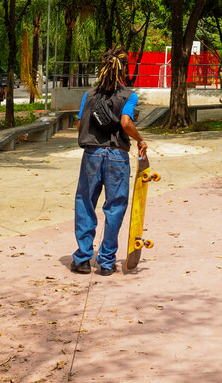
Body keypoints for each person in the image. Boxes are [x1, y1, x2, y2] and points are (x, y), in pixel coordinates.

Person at [71, 46, 147, 276]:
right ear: (123, 70)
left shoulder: (89, 95)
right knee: (114, 207)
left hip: (92, 154)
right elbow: (125, 123)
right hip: (116, 155)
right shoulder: (129, 95)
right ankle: (105, 262)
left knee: (85, 202)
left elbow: (79, 123)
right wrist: (140, 140)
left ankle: (83, 259)